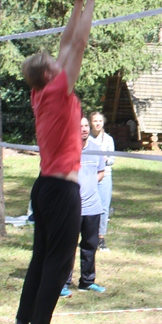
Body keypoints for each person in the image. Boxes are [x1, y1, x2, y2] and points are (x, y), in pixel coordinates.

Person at [4, 0, 95, 324]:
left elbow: (64, 45)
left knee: (41, 259)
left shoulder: (41, 90)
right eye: (54, 65)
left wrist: (74, 4)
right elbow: (77, 43)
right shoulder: (58, 89)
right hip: (60, 190)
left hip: (44, 187)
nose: (60, 63)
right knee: (58, 264)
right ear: (51, 75)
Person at [62, 116, 107, 297]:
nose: (84, 129)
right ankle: (63, 283)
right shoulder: (66, 150)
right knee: (67, 246)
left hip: (93, 207)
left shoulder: (97, 149)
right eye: (79, 126)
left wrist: (88, 184)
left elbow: (101, 172)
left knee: (90, 244)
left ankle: (87, 281)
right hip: (71, 207)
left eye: (86, 126)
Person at [88, 112, 115, 252]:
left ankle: (101, 238)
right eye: (95, 121)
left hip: (105, 175)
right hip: (89, 175)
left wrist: (105, 159)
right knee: (86, 206)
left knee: (104, 207)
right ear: (90, 123)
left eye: (100, 121)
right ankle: (86, 236)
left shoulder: (108, 140)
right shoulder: (86, 138)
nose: (98, 123)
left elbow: (112, 159)